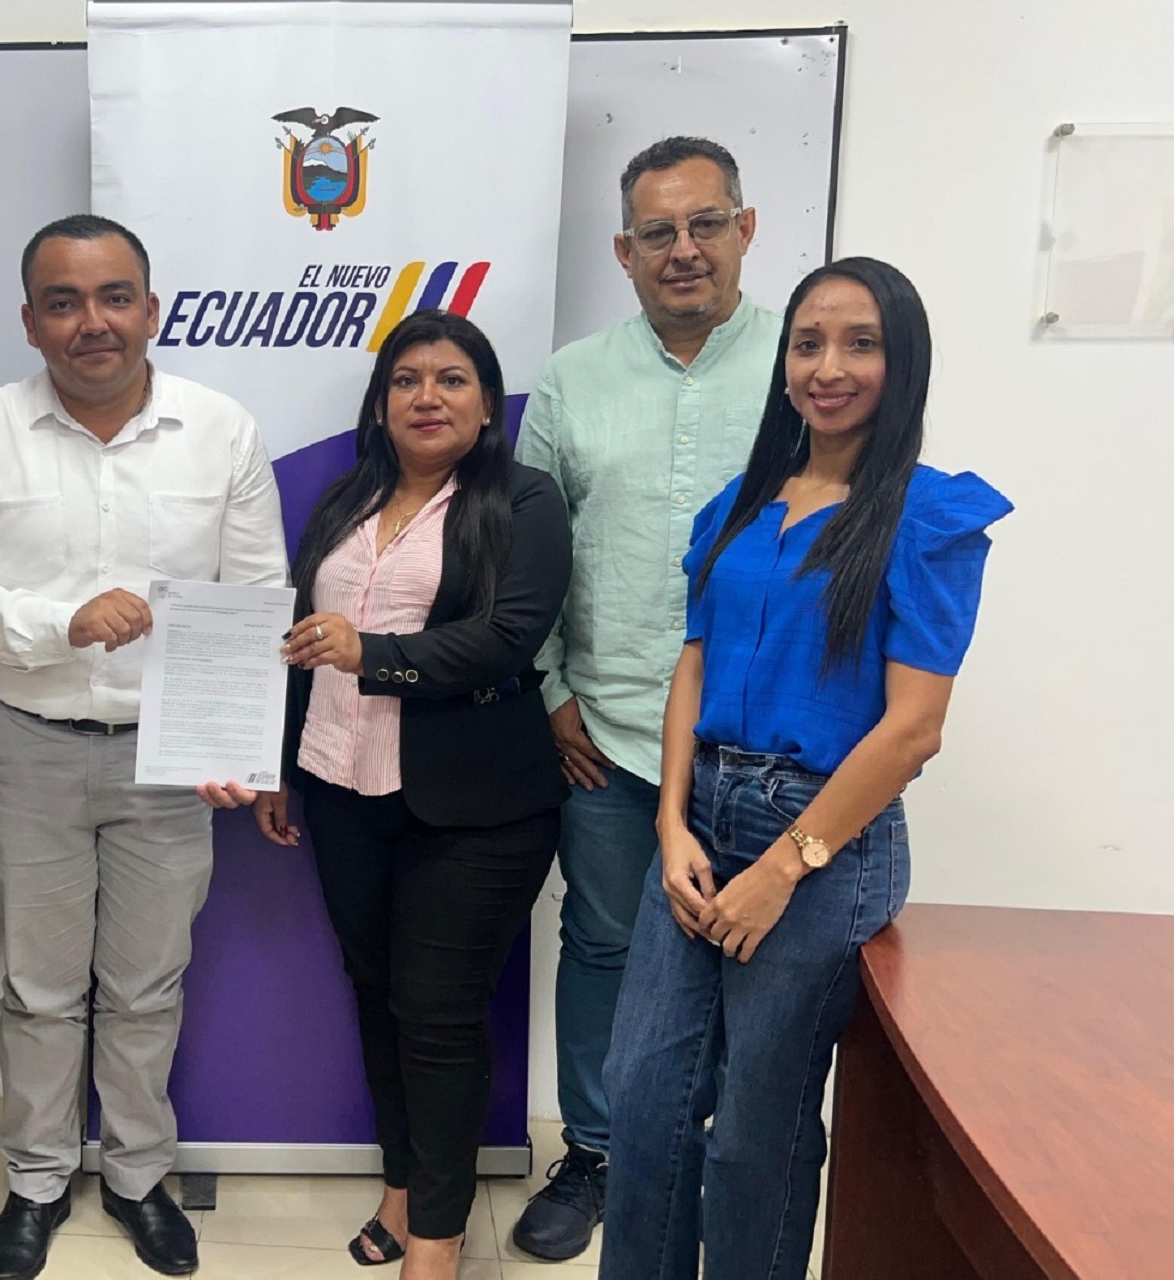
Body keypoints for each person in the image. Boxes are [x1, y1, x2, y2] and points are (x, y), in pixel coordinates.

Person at [597, 257, 1011, 1280]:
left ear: (902, 363)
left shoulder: (927, 518)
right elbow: (692, 663)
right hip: (702, 823)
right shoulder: (740, 507)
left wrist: (784, 866)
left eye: (861, 344)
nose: (829, 368)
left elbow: (913, 730)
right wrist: (671, 824)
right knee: (642, 1098)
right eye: (808, 343)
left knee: (755, 1128)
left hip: (825, 842)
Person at [0, 214, 287, 1280]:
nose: (93, 321)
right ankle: (36, 1180)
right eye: (64, 301)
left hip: (172, 760)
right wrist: (59, 622)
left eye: (116, 296)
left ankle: (135, 1176)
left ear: (151, 309)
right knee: (38, 987)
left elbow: (256, 597)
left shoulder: (220, 430)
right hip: (29, 746)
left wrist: (238, 743)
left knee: (145, 986)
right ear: (30, 320)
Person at [203, 310, 571, 1280]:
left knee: (440, 1016)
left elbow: (509, 637)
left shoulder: (524, 499)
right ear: (379, 404)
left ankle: (437, 1240)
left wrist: (373, 652)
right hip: (342, 785)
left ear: (486, 405)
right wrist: (281, 762)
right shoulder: (346, 502)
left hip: (478, 805)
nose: (427, 397)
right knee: (379, 997)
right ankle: (403, 1185)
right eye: (406, 380)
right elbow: (298, 642)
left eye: (452, 379)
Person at [510, 136, 783, 1262]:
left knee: (748, 961)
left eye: (705, 224)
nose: (685, 250)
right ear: (623, 252)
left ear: (745, 229)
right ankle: (597, 1151)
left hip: (766, 743)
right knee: (605, 942)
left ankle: (709, 1154)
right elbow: (527, 548)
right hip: (610, 731)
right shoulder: (573, 378)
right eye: (657, 232)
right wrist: (551, 690)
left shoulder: (805, 366)